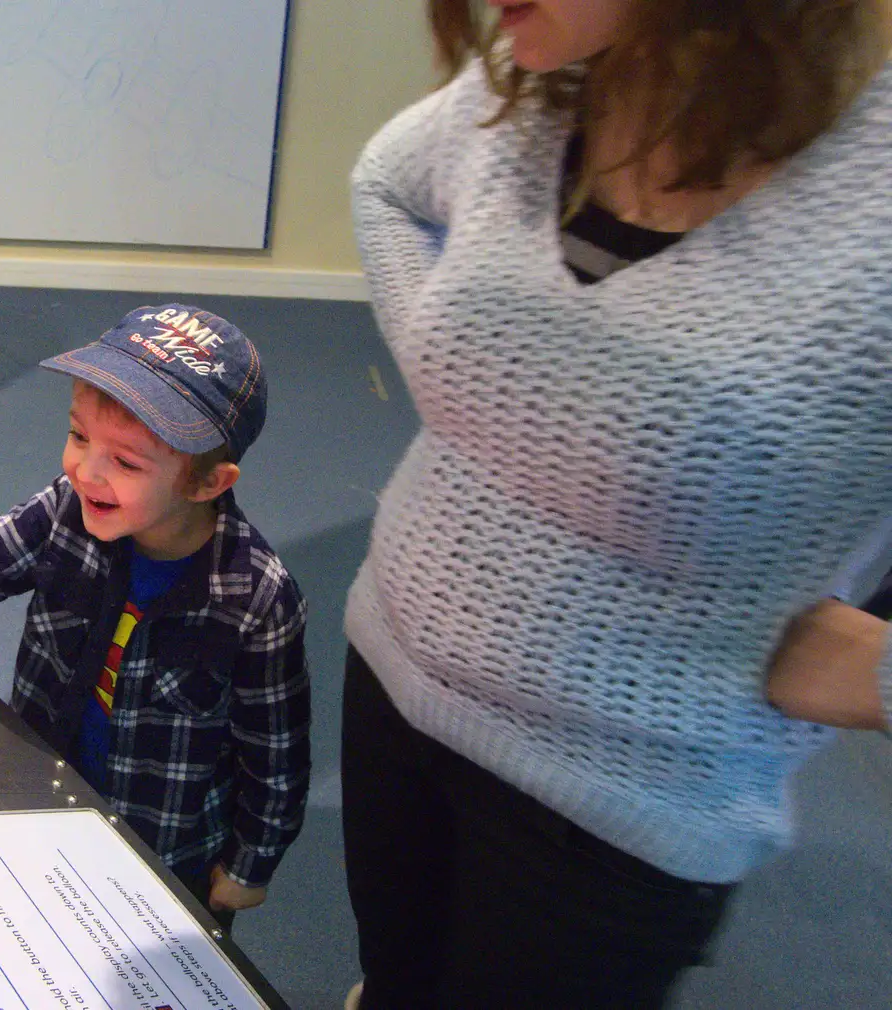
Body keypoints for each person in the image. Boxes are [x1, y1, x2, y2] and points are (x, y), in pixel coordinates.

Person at [341, 0, 890, 1005]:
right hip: (390, 678)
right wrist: (466, 389)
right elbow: (383, 183)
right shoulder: (539, 74)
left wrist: (873, 670)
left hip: (607, 805)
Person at [0, 305, 311, 928]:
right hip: (39, 807)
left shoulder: (256, 596)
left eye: (125, 462)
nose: (84, 470)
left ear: (207, 483)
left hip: (163, 856)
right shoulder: (68, 510)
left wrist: (250, 865)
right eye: (78, 435)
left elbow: (275, 753)